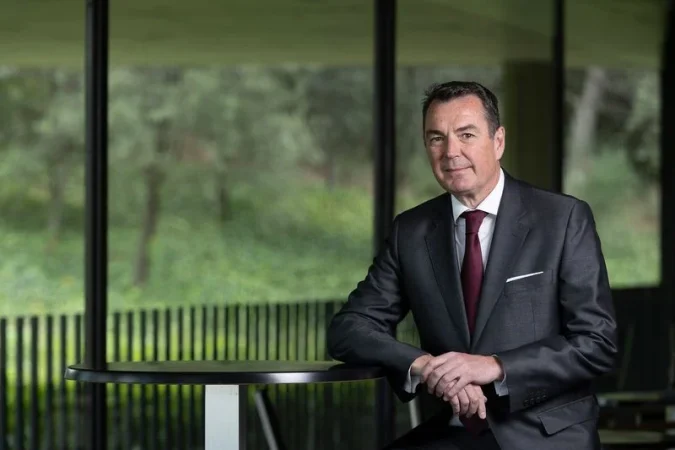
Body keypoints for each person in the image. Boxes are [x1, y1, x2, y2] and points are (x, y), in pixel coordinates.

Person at [326, 81, 618, 450]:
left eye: (466, 134)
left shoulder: (562, 219)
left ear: (498, 141)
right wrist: (425, 366)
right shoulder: (411, 232)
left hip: (545, 435)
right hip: (454, 431)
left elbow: (597, 343)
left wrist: (494, 366)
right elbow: (348, 329)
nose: (451, 151)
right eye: (436, 138)